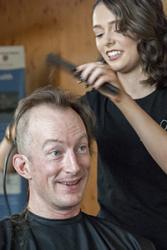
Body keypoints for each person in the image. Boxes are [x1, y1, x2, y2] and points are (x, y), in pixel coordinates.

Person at [0, 86, 155, 250]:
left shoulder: (130, 245)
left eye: (81, 148)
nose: (74, 167)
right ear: (24, 167)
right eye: (55, 152)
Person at [75, 0, 167, 250]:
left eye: (118, 28)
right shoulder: (94, 103)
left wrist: (121, 99)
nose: (107, 41)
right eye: (99, 33)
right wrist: (11, 137)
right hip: (114, 241)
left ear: (144, 27)